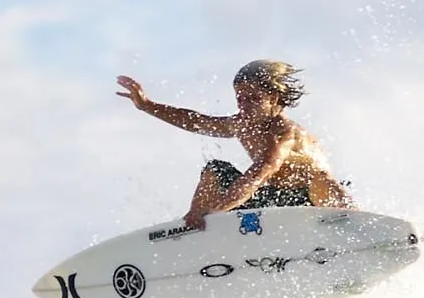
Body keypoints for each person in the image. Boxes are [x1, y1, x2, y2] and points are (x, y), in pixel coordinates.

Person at [115, 59, 352, 235]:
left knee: (322, 181)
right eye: (240, 98)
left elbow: (261, 172)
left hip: (309, 203)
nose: (244, 105)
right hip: (273, 202)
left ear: (275, 99)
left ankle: (354, 225)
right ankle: (197, 228)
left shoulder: (283, 132)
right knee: (215, 170)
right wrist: (147, 105)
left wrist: (222, 207)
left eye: (253, 99)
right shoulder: (242, 124)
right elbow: (196, 121)